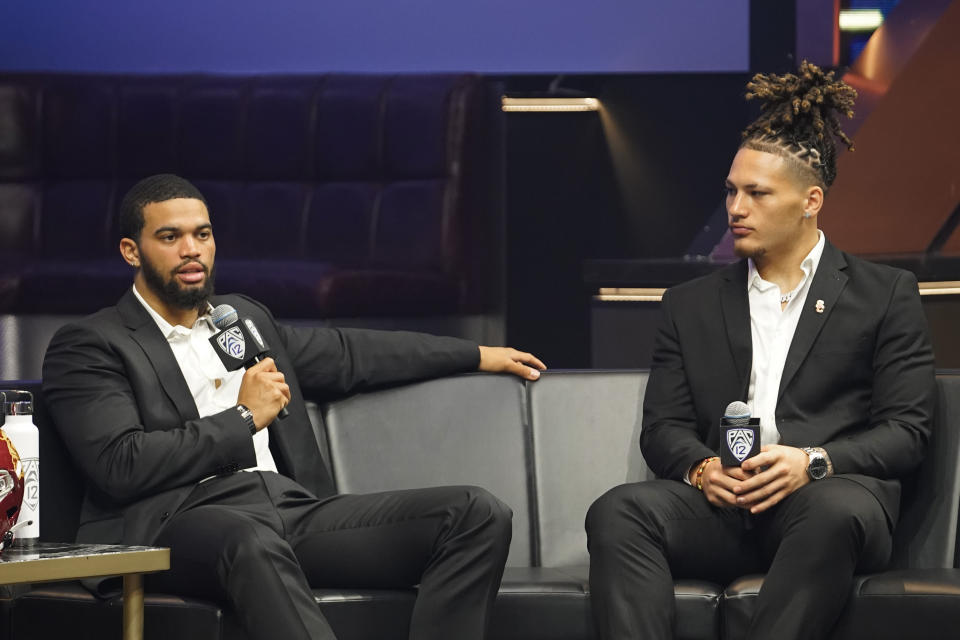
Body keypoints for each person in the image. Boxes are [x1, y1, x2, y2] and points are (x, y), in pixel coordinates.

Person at [41, 173, 547, 640]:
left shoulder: (241, 318)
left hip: (287, 509)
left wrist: (478, 354)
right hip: (177, 523)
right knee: (246, 536)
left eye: (203, 234)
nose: (192, 250)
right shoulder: (91, 343)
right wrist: (241, 419)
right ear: (132, 250)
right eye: (170, 237)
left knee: (475, 513)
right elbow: (120, 464)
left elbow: (350, 355)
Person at [585, 62, 936, 639]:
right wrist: (700, 469)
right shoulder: (688, 304)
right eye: (731, 191)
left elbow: (908, 430)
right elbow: (664, 426)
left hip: (824, 501)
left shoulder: (884, 294)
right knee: (618, 511)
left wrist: (812, 463)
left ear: (810, 201)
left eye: (756, 193)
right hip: (725, 508)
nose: (736, 208)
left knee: (833, 511)